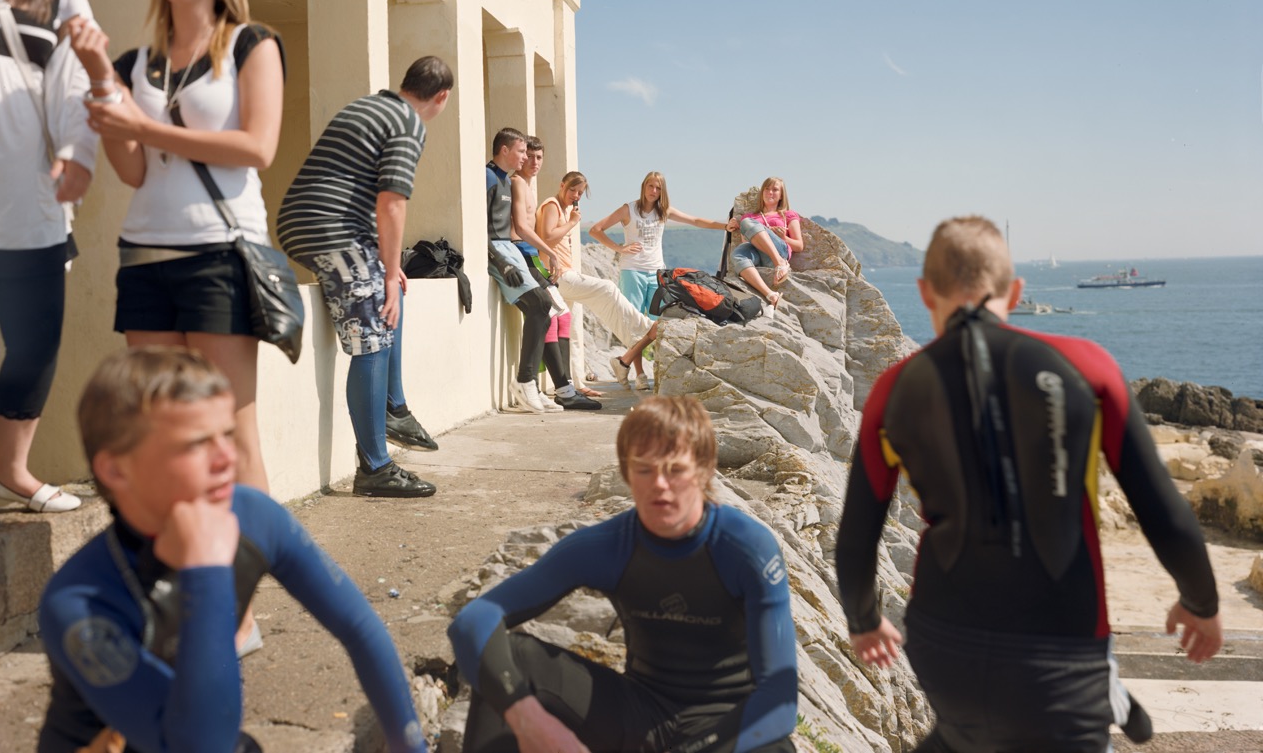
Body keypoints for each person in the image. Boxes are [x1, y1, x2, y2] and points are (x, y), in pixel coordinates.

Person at [834, 215, 1222, 753]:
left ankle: (1107, 699)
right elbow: (1165, 513)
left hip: (944, 648)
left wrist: (864, 620)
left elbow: (856, 538)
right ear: (1015, 293)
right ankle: (1109, 696)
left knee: (966, 731)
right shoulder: (1087, 368)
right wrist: (1200, 602)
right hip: (1061, 656)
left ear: (925, 293)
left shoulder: (893, 390)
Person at [37, 347, 429, 753]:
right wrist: (206, 572)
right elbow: (202, 746)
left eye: (227, 433)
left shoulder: (253, 515)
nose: (229, 457)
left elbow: (362, 631)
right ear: (116, 469)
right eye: (196, 443)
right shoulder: (79, 603)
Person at [68, 0, 285, 498]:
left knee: (231, 435)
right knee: (163, 430)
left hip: (221, 256)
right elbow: (133, 168)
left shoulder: (250, 44)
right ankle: (185, 569)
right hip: (144, 255)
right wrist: (100, 78)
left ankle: (248, 575)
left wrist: (145, 126)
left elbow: (257, 148)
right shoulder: (138, 64)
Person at [449, 396, 798, 753]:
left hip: (724, 726)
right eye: (644, 469)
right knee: (511, 657)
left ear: (705, 470)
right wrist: (528, 719)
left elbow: (779, 700)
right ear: (627, 473)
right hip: (639, 716)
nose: (660, 485)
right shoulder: (610, 545)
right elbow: (475, 620)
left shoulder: (745, 547)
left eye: (675, 470)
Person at [0, 0, 99, 514]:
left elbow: (77, 80)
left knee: (35, 339)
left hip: (28, 198)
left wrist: (77, 154)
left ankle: (8, 467)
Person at [277, 55, 453, 498]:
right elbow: (391, 201)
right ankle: (375, 467)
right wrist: (389, 274)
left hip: (304, 221)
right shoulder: (409, 122)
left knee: (393, 296)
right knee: (373, 327)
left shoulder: (368, 106)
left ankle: (394, 407)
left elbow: (354, 184)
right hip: (331, 229)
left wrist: (388, 268)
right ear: (441, 97)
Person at [588, 171, 731, 388]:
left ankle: (639, 368)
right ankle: (639, 375)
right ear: (644, 186)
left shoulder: (664, 211)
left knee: (658, 323)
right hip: (632, 271)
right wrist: (619, 248)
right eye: (650, 186)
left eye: (658, 188)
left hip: (656, 273)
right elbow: (596, 229)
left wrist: (725, 226)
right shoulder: (629, 209)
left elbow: (695, 220)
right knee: (634, 325)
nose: (654, 191)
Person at [536, 170, 659, 390]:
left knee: (573, 334)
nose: (575, 195)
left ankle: (574, 385)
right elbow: (546, 237)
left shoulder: (564, 209)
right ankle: (646, 327)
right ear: (562, 185)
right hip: (557, 277)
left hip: (563, 276)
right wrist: (572, 223)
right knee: (607, 288)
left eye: (580, 192)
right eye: (572, 189)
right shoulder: (552, 206)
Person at [486, 128, 577, 414]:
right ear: (504, 150)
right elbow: (479, 228)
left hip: (509, 251)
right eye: (522, 152)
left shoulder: (503, 179)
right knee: (540, 305)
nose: (526, 158)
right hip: (500, 253)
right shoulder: (488, 178)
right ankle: (525, 382)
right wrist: (500, 262)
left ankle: (531, 385)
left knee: (546, 308)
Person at [509, 141, 601, 410]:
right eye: (530, 156)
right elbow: (528, 230)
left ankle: (563, 387)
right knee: (551, 311)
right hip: (521, 255)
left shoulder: (528, 187)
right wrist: (552, 250)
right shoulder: (520, 185)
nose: (534, 162)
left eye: (539, 157)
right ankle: (555, 387)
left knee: (561, 314)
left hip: (531, 256)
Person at [728, 177, 803, 315]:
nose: (770, 193)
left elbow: (799, 246)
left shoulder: (788, 215)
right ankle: (771, 295)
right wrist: (733, 226)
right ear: (762, 193)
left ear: (781, 195)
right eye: (767, 189)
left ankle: (779, 263)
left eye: (775, 190)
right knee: (737, 253)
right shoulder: (749, 217)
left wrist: (783, 237)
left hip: (780, 251)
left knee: (747, 223)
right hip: (759, 254)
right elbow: (746, 244)